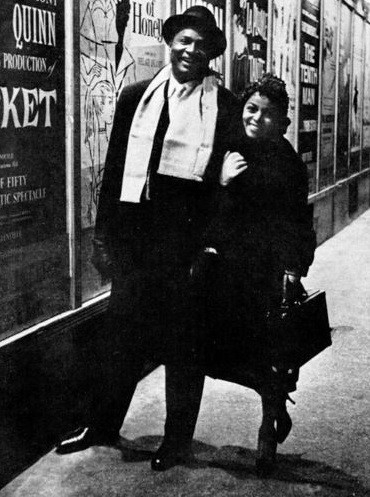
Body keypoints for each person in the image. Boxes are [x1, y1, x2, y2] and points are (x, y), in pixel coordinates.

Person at [56, 6, 238, 472]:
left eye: (199, 44)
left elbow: (231, 189)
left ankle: (176, 440)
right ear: (170, 43)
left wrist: (212, 245)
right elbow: (115, 170)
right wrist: (103, 237)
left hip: (187, 249)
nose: (189, 51)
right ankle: (101, 425)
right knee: (121, 338)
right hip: (136, 244)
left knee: (184, 346)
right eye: (183, 41)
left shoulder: (226, 106)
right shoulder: (137, 97)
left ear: (210, 53)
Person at [199, 74, 316, 476]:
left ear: (282, 121)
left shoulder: (288, 164)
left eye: (268, 114)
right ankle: (277, 401)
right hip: (225, 270)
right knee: (220, 355)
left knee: (268, 355)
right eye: (251, 109)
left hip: (265, 274)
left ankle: (268, 429)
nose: (257, 118)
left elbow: (299, 222)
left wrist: (292, 269)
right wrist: (222, 181)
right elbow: (204, 210)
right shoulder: (228, 150)